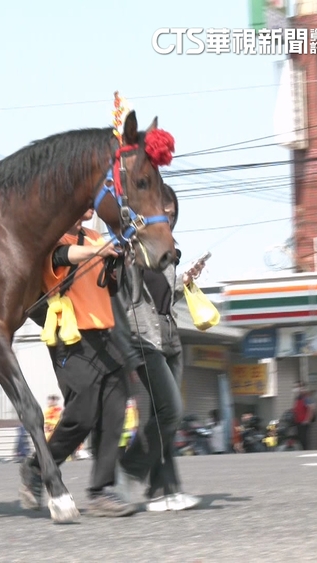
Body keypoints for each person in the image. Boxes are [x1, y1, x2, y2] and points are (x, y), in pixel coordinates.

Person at [20, 208, 135, 517]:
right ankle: (36, 467)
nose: (90, 205)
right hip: (70, 337)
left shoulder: (95, 236)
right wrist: (98, 249)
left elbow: (108, 286)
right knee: (82, 415)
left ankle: (101, 491)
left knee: (115, 409)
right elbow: (61, 257)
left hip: (104, 336)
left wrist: (116, 262)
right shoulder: (49, 239)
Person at [115, 183, 203, 512]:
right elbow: (130, 295)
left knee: (162, 418)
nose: (169, 214)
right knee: (171, 411)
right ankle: (130, 468)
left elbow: (162, 299)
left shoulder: (169, 253)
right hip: (142, 341)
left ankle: (164, 490)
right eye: (164, 208)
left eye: (173, 210)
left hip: (169, 340)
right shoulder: (132, 246)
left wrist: (184, 282)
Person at [293, 381, 317, 451]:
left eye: (298, 387)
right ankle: (302, 449)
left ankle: (305, 450)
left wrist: (307, 420)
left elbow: (312, 408)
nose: (296, 389)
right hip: (298, 421)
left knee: (304, 438)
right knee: (300, 437)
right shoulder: (298, 398)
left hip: (304, 422)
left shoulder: (306, 397)